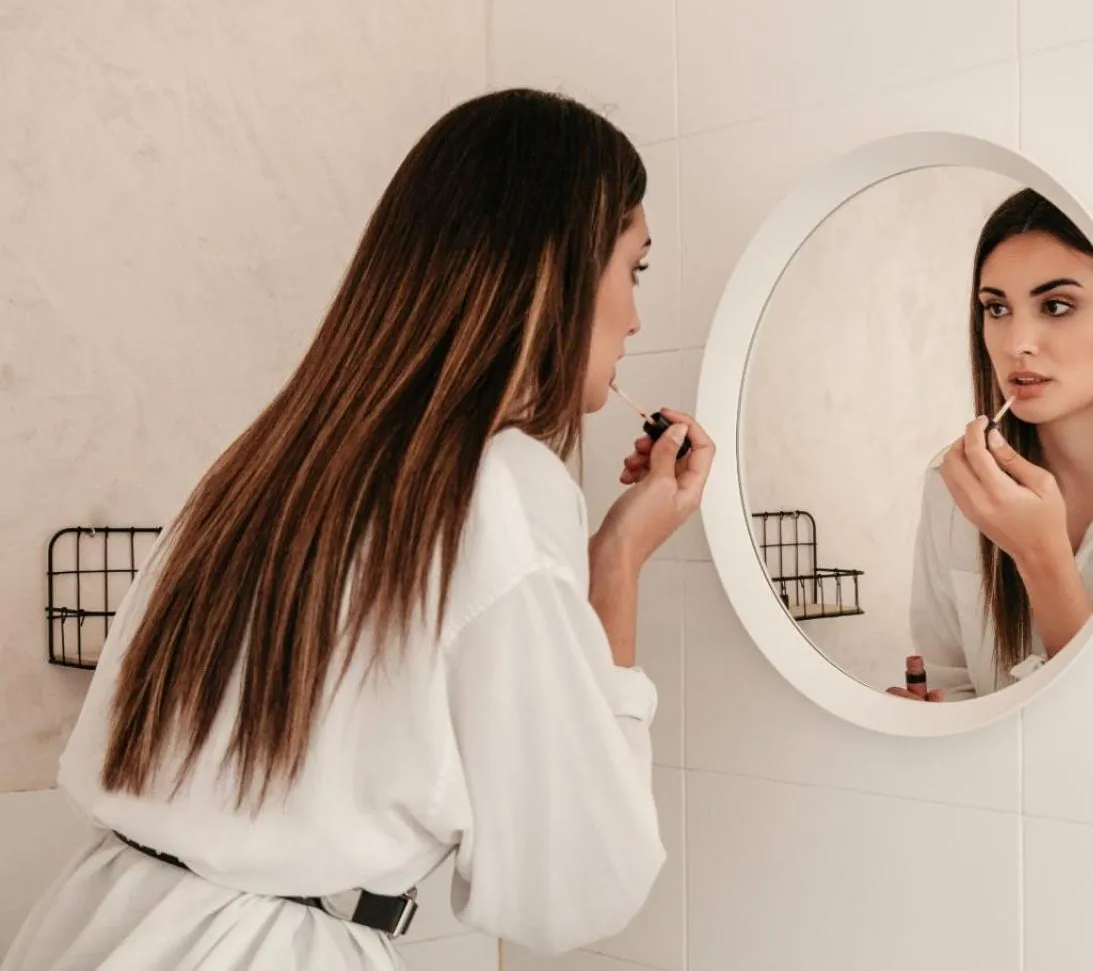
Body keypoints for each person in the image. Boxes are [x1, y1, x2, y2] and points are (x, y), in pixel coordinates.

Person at [2, 89, 713, 970]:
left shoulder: (269, 460)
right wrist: (618, 565)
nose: (637, 317)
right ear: (552, 268)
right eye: (633, 268)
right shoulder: (499, 487)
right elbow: (576, 882)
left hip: (99, 925)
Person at [894, 188, 1093, 701]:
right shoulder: (957, 488)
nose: (1015, 343)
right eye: (996, 308)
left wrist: (1040, 554)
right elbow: (952, 684)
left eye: (1056, 306)